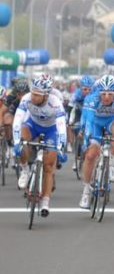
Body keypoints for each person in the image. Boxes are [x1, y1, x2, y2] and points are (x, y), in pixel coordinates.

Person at [12, 76, 67, 217]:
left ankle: (46, 201)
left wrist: (61, 146)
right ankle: (25, 170)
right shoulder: (26, 98)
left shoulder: (55, 103)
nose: (33, 97)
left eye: (37, 95)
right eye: (33, 93)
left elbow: (61, 127)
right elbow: (17, 120)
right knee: (23, 141)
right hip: (32, 125)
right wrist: (17, 141)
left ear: (46, 95)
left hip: (51, 130)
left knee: (48, 166)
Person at [79, 75, 114, 209]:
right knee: (90, 156)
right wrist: (86, 137)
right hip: (96, 123)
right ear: (98, 92)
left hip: (111, 121)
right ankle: (86, 190)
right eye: (103, 93)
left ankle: (112, 162)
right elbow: (88, 121)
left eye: (110, 93)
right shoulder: (92, 98)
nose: (106, 97)